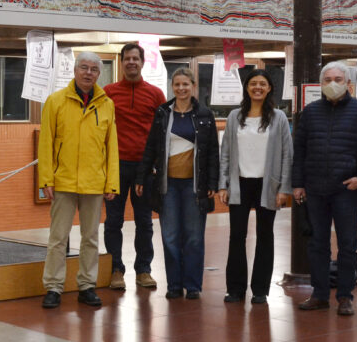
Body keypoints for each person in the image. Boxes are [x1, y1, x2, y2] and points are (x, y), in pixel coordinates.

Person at [293, 62, 357, 315]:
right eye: (328, 79)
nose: (333, 83)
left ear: (348, 83)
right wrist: (298, 183)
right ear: (321, 84)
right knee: (317, 244)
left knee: (347, 244)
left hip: (346, 188)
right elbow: (300, 150)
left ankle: (344, 296)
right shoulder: (310, 112)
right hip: (315, 188)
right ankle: (319, 294)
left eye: (338, 79)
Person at [38, 52, 120, 309]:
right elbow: (46, 144)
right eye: (83, 67)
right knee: (58, 238)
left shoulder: (106, 104)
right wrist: (46, 179)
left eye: (94, 69)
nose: (88, 73)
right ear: (74, 71)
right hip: (62, 182)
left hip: (94, 183)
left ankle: (87, 285)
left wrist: (112, 183)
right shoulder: (55, 101)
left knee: (91, 238)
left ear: (99, 74)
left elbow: (111, 147)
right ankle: (53, 287)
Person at [137, 67, 218, 299]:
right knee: (170, 236)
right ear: (172, 87)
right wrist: (142, 176)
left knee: (194, 237)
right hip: (168, 185)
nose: (181, 88)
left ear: (193, 86)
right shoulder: (163, 112)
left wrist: (212, 181)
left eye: (185, 84)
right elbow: (151, 146)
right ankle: (174, 285)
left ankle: (192, 286)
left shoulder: (204, 114)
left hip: (195, 185)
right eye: (177, 84)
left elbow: (212, 151)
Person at [218, 69, 293, 304]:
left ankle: (260, 290)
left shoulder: (279, 117)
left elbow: (287, 154)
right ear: (247, 88)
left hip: (267, 184)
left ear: (269, 88)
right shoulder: (234, 116)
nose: (257, 87)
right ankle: (235, 289)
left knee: (265, 236)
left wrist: (284, 188)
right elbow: (226, 153)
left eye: (262, 83)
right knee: (236, 236)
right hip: (239, 183)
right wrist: (223, 184)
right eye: (253, 83)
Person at [103, 43, 166, 290]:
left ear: (142, 62)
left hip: (145, 169)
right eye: (127, 58)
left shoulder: (155, 94)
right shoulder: (107, 92)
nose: (131, 62)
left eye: (135, 59)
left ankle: (144, 270)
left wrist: (156, 166)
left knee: (145, 222)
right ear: (121, 62)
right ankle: (116, 269)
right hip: (115, 166)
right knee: (113, 221)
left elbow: (161, 133)